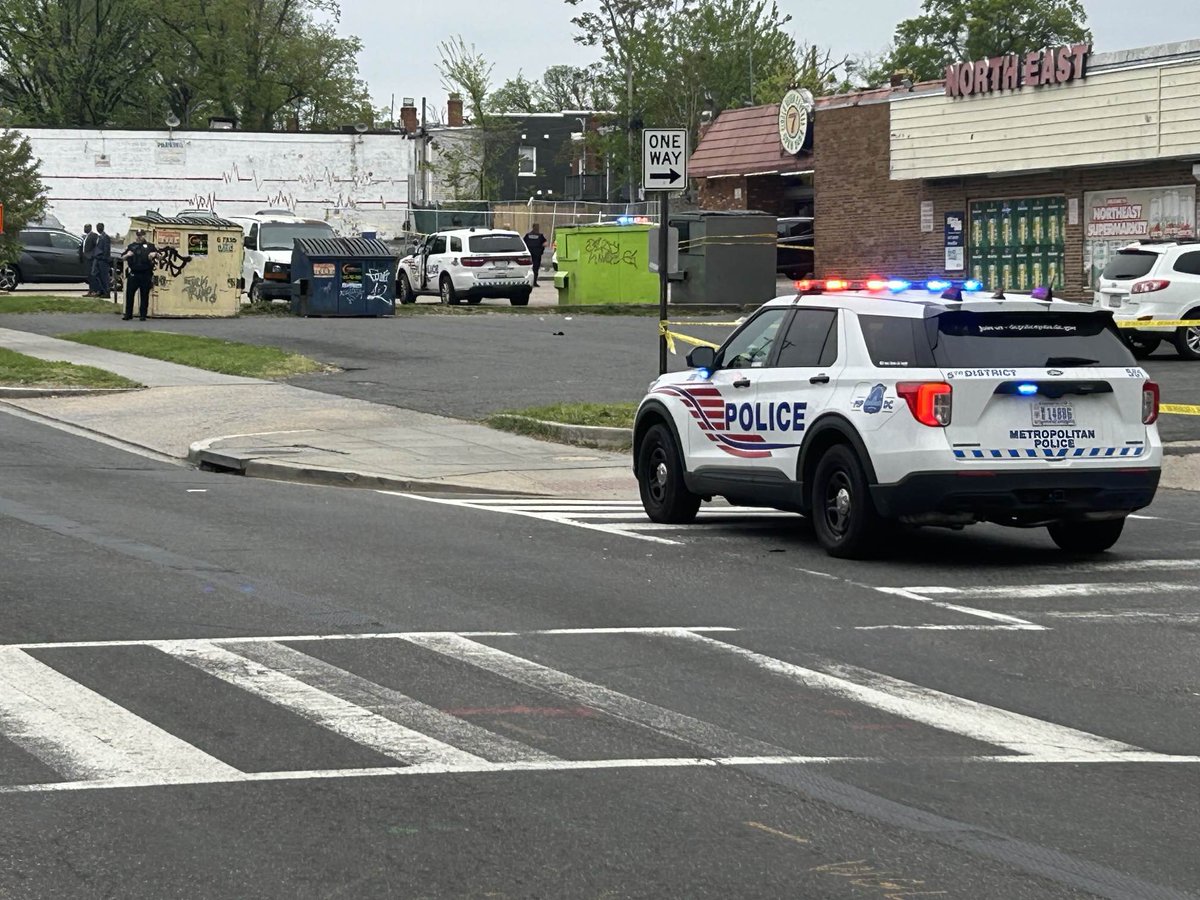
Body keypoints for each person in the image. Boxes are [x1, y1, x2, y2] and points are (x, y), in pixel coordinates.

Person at [121, 228, 158, 321]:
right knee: (130, 295)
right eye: (138, 235)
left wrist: (155, 254)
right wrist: (128, 255)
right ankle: (128, 314)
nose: (139, 237)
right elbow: (122, 257)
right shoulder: (131, 246)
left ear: (144, 236)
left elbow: (160, 257)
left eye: (141, 235)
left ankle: (143, 315)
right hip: (134, 273)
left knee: (144, 295)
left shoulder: (150, 246)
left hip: (145, 273)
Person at [93, 224, 112, 299]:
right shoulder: (100, 237)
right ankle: (101, 290)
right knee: (97, 275)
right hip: (98, 258)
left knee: (104, 277)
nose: (98, 229)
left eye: (99, 227)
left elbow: (106, 249)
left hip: (103, 260)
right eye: (97, 227)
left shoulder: (105, 237)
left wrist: (103, 257)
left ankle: (107, 292)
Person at [79, 224, 98, 296]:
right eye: (84, 227)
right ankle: (90, 291)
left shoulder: (93, 236)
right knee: (89, 276)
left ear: (90, 228)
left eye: (86, 227)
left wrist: (91, 255)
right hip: (85, 258)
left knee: (92, 275)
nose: (85, 229)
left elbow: (96, 247)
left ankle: (93, 291)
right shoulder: (85, 237)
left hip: (90, 259)